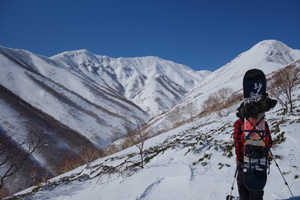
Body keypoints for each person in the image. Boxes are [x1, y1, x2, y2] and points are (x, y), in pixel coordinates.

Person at [233, 117, 273, 200]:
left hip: (244, 160)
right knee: (257, 186)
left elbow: (237, 142)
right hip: (260, 160)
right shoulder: (262, 123)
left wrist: (239, 158)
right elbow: (269, 142)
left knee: (243, 185)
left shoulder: (239, 122)